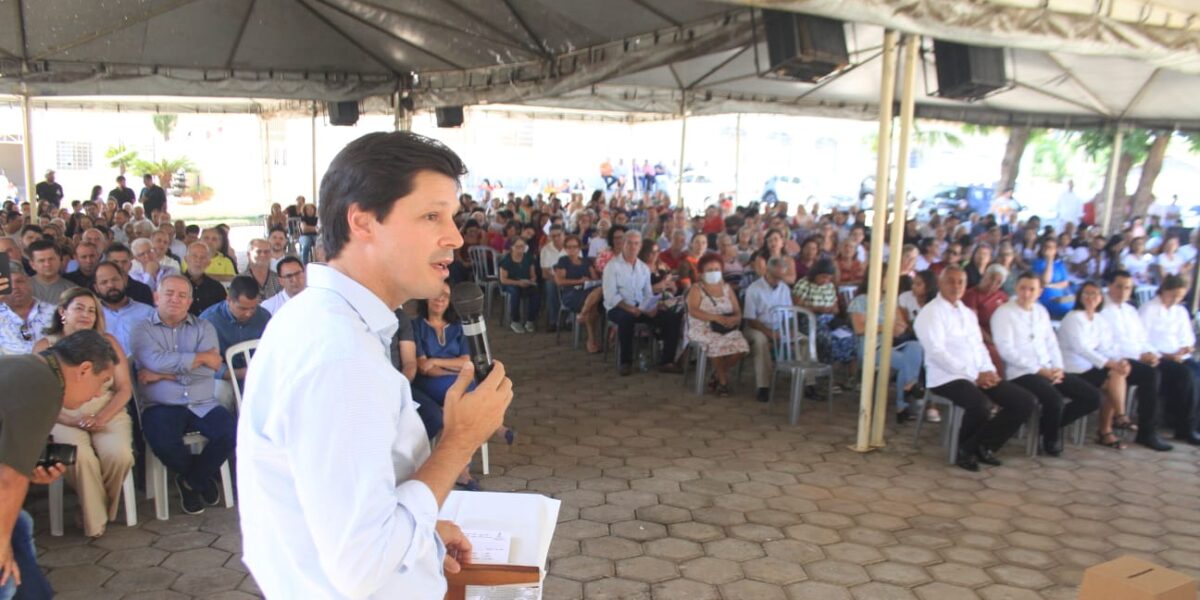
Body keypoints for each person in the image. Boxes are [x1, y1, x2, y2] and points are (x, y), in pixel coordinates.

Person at [238, 131, 513, 599]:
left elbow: (344, 516)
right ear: (362, 222)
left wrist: (421, 532)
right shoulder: (339, 357)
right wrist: (460, 440)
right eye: (431, 216)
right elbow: (363, 566)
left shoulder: (321, 321)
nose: (455, 236)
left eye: (452, 215)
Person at [0, 330, 117, 599]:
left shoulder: (26, 367)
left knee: (20, 525)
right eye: (102, 382)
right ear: (85, 369)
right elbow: (8, 479)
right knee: (5, 572)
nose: (98, 393)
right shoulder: (44, 386)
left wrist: (29, 472)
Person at [32, 290, 135, 538]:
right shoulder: (45, 347)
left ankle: (92, 505)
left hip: (106, 410)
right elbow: (39, 397)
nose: (86, 315)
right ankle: (96, 522)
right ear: (62, 312)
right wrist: (71, 420)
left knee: (119, 455)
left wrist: (101, 418)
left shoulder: (107, 342)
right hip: (61, 413)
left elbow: (123, 389)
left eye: (92, 310)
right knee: (81, 458)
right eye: (79, 308)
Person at [913, 267, 1037, 471]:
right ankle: (964, 451)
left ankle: (983, 445)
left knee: (1024, 401)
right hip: (947, 377)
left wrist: (989, 371)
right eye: (950, 281)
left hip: (978, 373)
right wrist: (974, 375)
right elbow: (937, 353)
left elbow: (979, 347)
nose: (956, 286)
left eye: (960, 282)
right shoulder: (931, 313)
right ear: (941, 283)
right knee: (981, 405)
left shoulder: (967, 313)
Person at [131, 275, 235, 515]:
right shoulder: (142, 330)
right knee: (163, 441)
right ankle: (201, 478)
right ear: (157, 297)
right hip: (161, 403)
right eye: (169, 293)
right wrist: (198, 359)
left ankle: (190, 481)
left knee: (230, 433)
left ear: (189, 302)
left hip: (202, 401)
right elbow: (152, 360)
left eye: (182, 295)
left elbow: (210, 369)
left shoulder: (204, 327)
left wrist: (160, 375)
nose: (175, 299)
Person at [990, 273, 1101, 457]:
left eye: (1031, 289)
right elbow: (1006, 350)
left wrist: (1057, 367)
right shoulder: (1004, 312)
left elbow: (1051, 342)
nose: (1026, 293)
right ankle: (1050, 438)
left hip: (1047, 369)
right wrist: (1039, 370)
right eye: (1023, 288)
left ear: (1040, 292)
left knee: (1092, 397)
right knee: (1054, 399)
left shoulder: (1041, 312)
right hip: (1021, 372)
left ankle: (1045, 426)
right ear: (1016, 288)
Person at [1099, 271, 1174, 451]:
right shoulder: (1101, 309)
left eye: (1128, 288)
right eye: (1119, 286)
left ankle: (1173, 423)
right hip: (1113, 360)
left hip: (1136, 356)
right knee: (1151, 375)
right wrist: (1139, 356)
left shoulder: (1131, 310)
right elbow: (1107, 345)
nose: (1123, 292)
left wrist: (1150, 353)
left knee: (1175, 372)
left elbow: (1142, 338)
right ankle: (1147, 431)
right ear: (1110, 286)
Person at [1057, 282, 1133, 450]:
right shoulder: (1073, 317)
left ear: (1101, 298)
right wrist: (1109, 363)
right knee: (1112, 378)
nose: (1091, 298)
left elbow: (1107, 346)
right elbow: (1081, 348)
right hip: (1072, 369)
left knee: (1117, 375)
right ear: (1080, 297)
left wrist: (1120, 360)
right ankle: (1118, 419)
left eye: (1095, 294)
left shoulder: (1099, 319)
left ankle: (1109, 427)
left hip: (1090, 368)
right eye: (1087, 294)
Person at [603, 230, 684, 376]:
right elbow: (610, 296)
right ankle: (625, 362)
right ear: (623, 244)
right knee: (626, 319)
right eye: (629, 243)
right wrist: (629, 308)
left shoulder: (643, 268)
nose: (633, 247)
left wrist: (649, 308)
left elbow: (648, 293)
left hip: (640, 308)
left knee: (671, 317)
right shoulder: (612, 266)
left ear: (640, 246)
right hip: (618, 308)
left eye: (636, 243)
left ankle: (667, 361)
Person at [848, 279, 925, 423]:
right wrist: (886, 327)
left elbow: (900, 327)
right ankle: (903, 404)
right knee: (905, 362)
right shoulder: (861, 300)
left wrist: (899, 328)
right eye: (888, 277)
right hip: (870, 347)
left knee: (916, 347)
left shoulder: (891, 301)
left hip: (891, 344)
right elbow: (859, 329)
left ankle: (909, 388)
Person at [1138, 275, 1200, 445]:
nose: (1175, 300)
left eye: (1179, 296)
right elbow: (1141, 340)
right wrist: (1165, 355)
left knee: (1196, 373)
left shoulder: (1180, 311)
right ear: (1164, 290)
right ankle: (1184, 427)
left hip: (1178, 356)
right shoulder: (1149, 309)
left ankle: (1194, 423)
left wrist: (1186, 347)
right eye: (1173, 295)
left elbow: (1187, 336)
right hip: (1157, 357)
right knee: (1186, 376)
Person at [200, 276, 271, 412]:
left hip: (259, 376)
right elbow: (205, 363)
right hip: (225, 379)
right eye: (242, 308)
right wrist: (240, 373)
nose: (249, 313)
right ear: (228, 300)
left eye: (253, 308)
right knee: (219, 392)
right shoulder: (208, 321)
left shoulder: (264, 317)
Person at [685, 255, 749, 396]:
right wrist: (715, 317)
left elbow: (737, 311)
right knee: (716, 343)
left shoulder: (727, 288)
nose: (714, 272)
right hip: (702, 328)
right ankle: (723, 382)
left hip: (725, 327)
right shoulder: (696, 289)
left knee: (741, 345)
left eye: (717, 269)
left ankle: (716, 374)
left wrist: (735, 319)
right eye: (710, 270)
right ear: (701, 273)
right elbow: (693, 310)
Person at [743, 257, 794, 403]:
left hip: (778, 328)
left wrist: (788, 330)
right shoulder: (754, 288)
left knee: (802, 340)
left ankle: (809, 382)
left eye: (781, 277)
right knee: (761, 341)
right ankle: (763, 386)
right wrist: (769, 333)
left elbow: (789, 314)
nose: (778, 280)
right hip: (756, 328)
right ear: (767, 272)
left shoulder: (784, 288)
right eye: (775, 276)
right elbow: (751, 320)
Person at [792, 258, 855, 367]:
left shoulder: (830, 286)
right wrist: (817, 309)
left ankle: (841, 362)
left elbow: (836, 309)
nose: (826, 280)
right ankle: (825, 365)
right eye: (823, 277)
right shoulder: (804, 283)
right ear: (816, 274)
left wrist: (831, 310)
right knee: (826, 337)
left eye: (828, 278)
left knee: (848, 333)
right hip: (809, 320)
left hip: (829, 318)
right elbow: (797, 306)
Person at [92, 261, 155, 355]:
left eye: (115, 279)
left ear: (125, 280)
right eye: (104, 282)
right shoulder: (92, 315)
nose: (111, 285)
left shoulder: (148, 313)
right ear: (96, 288)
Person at [554, 235, 601, 352]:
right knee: (594, 303)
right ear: (565, 248)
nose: (572, 250)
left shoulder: (586, 261)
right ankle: (592, 340)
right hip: (571, 293)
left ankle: (584, 316)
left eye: (574, 247)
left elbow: (595, 278)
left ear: (579, 248)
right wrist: (579, 281)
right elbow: (560, 281)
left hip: (589, 291)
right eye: (569, 247)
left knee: (597, 295)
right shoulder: (563, 261)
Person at [962, 264, 1010, 378]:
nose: (993, 284)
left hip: (1000, 336)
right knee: (994, 353)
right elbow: (973, 325)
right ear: (984, 276)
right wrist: (991, 340)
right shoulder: (971, 295)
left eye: (998, 282)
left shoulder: (1002, 297)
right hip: (981, 337)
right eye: (991, 279)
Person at [0, 264, 55, 354]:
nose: (15, 287)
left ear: (29, 282)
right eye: (8, 283)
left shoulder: (54, 312)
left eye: (19, 281)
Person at [498, 238, 540, 333]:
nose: (520, 249)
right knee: (514, 292)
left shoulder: (528, 257)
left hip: (525, 282)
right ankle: (515, 320)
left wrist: (530, 281)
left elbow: (533, 275)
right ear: (512, 247)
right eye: (518, 247)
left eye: (522, 246)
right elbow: (503, 279)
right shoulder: (506, 260)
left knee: (536, 292)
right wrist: (518, 283)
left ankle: (530, 320)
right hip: (510, 283)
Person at [1032, 237, 1073, 319]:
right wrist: (1049, 260)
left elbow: (1065, 283)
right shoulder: (1037, 263)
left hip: (1061, 295)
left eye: (1051, 247)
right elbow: (1045, 281)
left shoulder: (1060, 265)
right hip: (1046, 297)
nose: (1048, 249)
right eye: (1046, 246)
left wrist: (1050, 286)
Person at [26, 239, 78, 304]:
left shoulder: (72, 291)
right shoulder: (23, 288)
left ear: (59, 259)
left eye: (51, 259)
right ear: (32, 264)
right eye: (41, 261)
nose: (47, 264)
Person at [182, 242, 227, 316]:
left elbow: (223, 312)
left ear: (208, 262)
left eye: (203, 257)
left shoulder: (217, 287)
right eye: (194, 256)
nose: (198, 260)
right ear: (186, 259)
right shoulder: (176, 284)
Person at [540, 225, 567, 331]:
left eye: (558, 235)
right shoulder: (546, 250)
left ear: (564, 234)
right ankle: (553, 321)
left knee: (577, 287)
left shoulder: (572, 247)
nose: (556, 238)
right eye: (553, 236)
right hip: (552, 278)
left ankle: (569, 321)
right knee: (550, 287)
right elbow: (544, 273)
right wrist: (557, 279)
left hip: (569, 279)